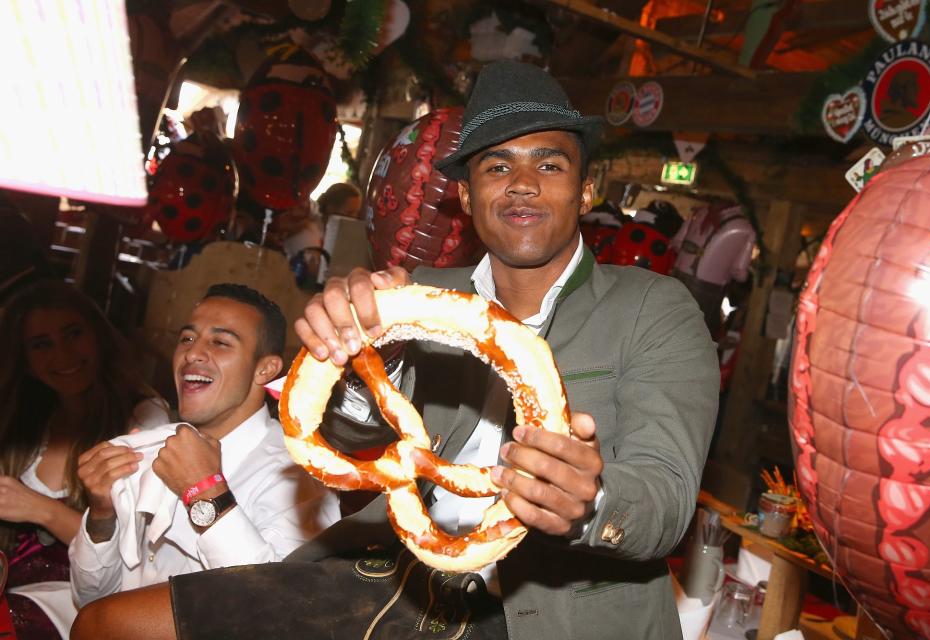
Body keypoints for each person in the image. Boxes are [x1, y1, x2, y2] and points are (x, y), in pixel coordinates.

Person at [71, 61, 718, 640]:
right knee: (105, 624)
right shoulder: (417, 296)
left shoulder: (652, 311)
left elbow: (664, 501)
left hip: (550, 607)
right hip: (394, 573)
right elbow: (349, 449)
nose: (521, 184)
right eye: (496, 166)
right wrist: (352, 359)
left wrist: (590, 501)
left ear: (584, 189)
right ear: (465, 197)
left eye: (547, 164)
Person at [68, 284, 340, 608]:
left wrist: (204, 492)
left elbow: (277, 609)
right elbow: (90, 598)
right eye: (187, 338)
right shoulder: (152, 447)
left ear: (264, 369)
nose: (192, 353)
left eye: (220, 342)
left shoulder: (298, 474)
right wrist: (102, 514)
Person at [0, 279, 171, 638]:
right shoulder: (24, 418)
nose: (62, 355)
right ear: (27, 361)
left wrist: (40, 509)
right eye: (42, 344)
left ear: (98, 337)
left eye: (73, 334)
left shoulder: (143, 418)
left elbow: (135, 552)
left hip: (80, 605)